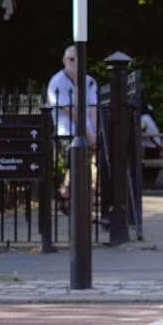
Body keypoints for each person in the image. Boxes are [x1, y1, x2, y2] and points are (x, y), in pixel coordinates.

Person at [46, 45, 99, 214]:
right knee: (78, 160)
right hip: (67, 132)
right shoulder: (57, 82)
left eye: (78, 59)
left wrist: (95, 134)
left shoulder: (89, 81)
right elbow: (70, 112)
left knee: (90, 161)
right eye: (71, 59)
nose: (75, 63)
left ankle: (77, 194)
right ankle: (70, 194)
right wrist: (89, 135)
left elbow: (93, 110)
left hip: (88, 132)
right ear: (64, 60)